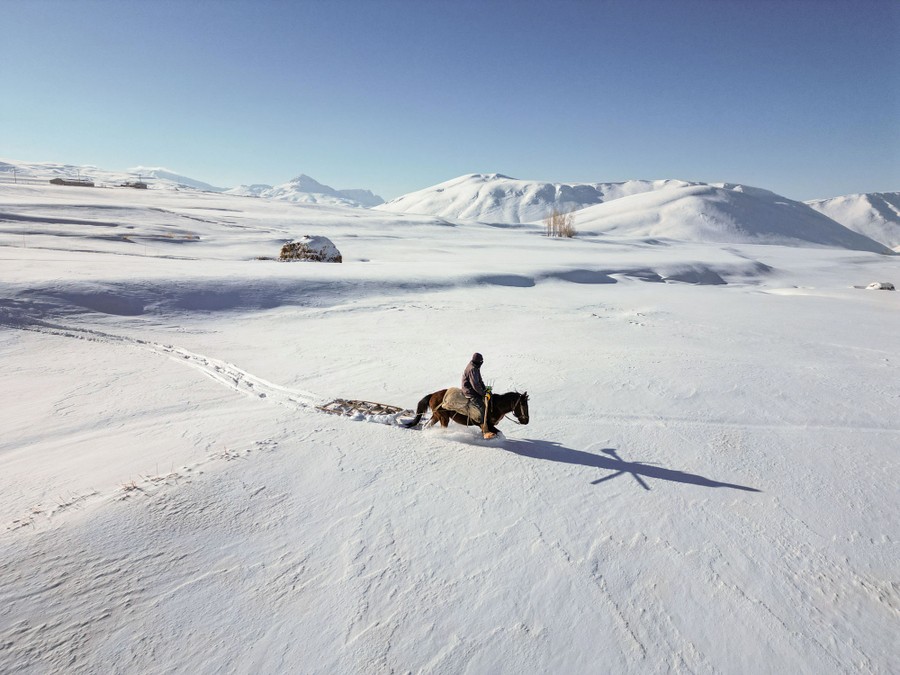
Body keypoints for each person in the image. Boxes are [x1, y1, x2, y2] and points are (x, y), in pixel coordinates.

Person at [461, 352, 489, 427]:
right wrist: (483, 393)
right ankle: (483, 426)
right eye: (481, 362)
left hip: (473, 389)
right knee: (482, 406)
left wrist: (485, 389)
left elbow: (480, 380)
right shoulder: (472, 369)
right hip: (469, 391)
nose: (481, 363)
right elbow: (475, 385)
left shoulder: (475, 367)